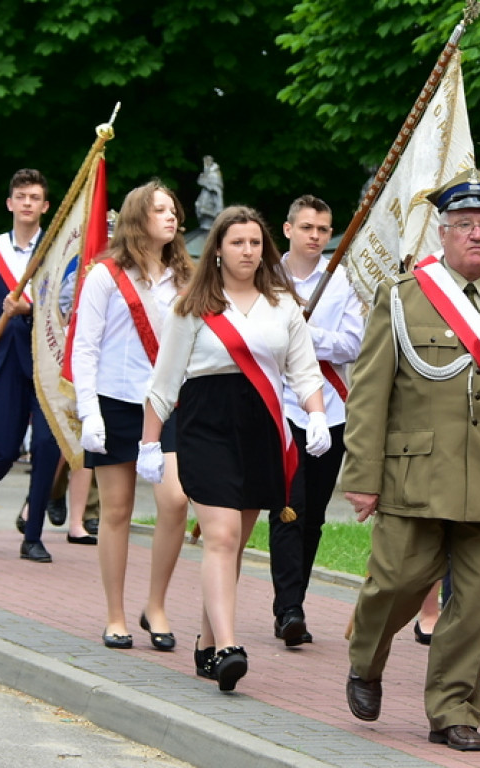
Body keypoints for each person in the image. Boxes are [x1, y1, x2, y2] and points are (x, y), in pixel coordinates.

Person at [342, 169, 480, 752]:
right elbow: (368, 395)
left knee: (475, 606)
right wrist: (362, 477)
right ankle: (366, 659)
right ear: (443, 232)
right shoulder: (403, 298)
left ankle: (454, 709)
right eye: (464, 224)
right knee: (396, 583)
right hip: (415, 474)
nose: (477, 235)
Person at [139, 204, 329, 692]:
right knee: (220, 536)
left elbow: (304, 370)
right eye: (237, 242)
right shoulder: (191, 305)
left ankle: (206, 643)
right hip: (206, 424)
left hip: (261, 427)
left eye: (254, 242)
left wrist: (316, 413)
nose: (248, 251)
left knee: (234, 544)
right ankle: (227, 646)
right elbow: (164, 383)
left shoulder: (281, 303)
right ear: (218, 250)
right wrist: (149, 443)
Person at [71, 180, 193, 650]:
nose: (171, 217)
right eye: (160, 209)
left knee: (175, 501)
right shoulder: (105, 275)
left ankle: (155, 605)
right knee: (117, 511)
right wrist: (89, 413)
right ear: (137, 218)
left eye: (173, 210)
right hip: (115, 402)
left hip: (165, 405)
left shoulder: (185, 276)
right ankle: (115, 614)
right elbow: (84, 347)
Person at [269, 194, 363, 646]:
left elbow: (352, 344)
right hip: (281, 408)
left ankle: (296, 600)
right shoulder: (267, 276)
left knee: (315, 516)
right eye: (307, 227)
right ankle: (288, 608)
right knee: (290, 507)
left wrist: (307, 335)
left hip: (331, 408)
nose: (315, 237)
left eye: (323, 230)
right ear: (288, 229)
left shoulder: (340, 280)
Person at [0, 169, 62, 563]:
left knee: (45, 447)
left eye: (34, 197)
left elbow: (65, 307)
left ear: (45, 206)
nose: (26, 202)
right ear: (10, 203)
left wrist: (32, 309)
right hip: (3, 362)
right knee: (2, 449)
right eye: (20, 196)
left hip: (46, 362)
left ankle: (33, 535)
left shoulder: (57, 249)